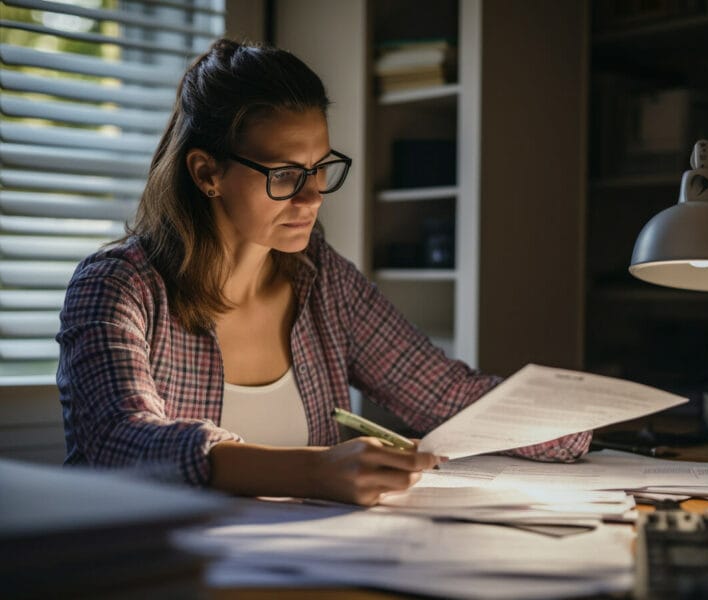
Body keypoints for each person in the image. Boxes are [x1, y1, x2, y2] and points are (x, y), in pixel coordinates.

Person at [56, 39, 591, 506]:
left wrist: (580, 425)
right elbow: (121, 442)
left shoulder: (322, 279)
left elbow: (445, 394)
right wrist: (316, 470)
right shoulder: (118, 286)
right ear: (206, 172)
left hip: (301, 570)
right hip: (153, 573)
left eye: (319, 170)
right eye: (286, 174)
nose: (313, 197)